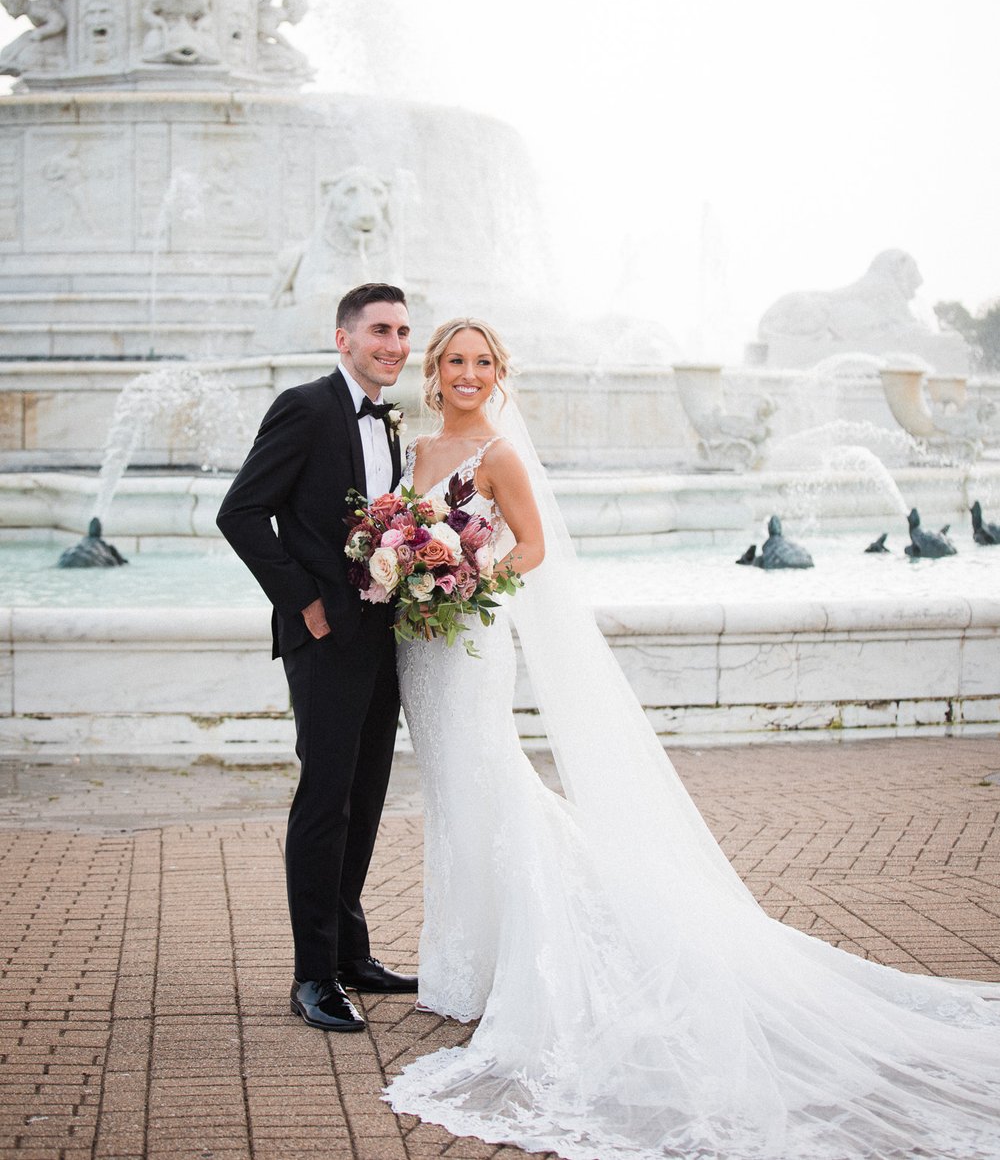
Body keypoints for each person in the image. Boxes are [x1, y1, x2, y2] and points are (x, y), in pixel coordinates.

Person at [386, 316, 1000, 1160]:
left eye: (482, 362)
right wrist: (405, 561)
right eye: (455, 360)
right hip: (420, 646)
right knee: (453, 792)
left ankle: (524, 962)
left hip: (472, 638)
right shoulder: (412, 448)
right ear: (434, 369)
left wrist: (468, 566)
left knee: (492, 778)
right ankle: (463, 961)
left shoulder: (498, 454)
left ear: (498, 373)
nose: (467, 372)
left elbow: (530, 550)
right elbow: (396, 529)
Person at [217, 282, 417, 1034]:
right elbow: (240, 510)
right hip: (325, 638)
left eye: (402, 331)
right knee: (325, 800)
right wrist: (301, 601)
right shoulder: (304, 406)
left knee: (364, 798)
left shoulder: (391, 420)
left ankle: (351, 954)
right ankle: (312, 976)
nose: (394, 344)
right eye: (379, 331)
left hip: (382, 638)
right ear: (344, 339)